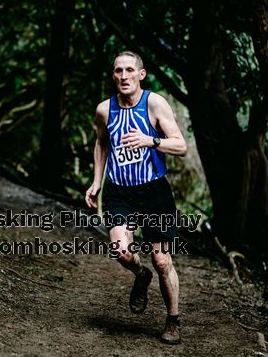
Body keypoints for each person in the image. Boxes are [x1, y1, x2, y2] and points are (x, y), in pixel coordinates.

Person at [85, 51, 187, 345]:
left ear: (141, 74)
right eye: (119, 70)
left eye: (130, 70)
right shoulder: (105, 110)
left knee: (162, 259)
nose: (124, 76)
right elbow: (101, 143)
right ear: (113, 76)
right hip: (119, 191)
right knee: (120, 251)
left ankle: (173, 320)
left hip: (155, 193)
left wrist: (150, 140)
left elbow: (181, 146)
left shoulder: (154, 104)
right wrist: (96, 182)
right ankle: (140, 275)